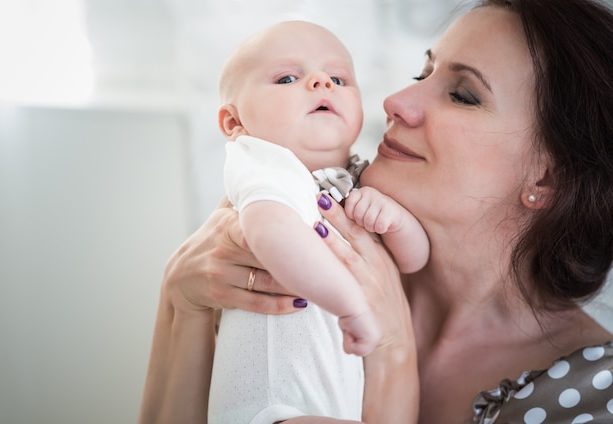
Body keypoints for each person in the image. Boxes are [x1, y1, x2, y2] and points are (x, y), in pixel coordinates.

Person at [138, 0, 613, 423]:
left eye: (463, 94)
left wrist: (393, 352)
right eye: (422, 75)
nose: (395, 103)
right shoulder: (301, 242)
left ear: (547, 179)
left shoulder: (592, 394)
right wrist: (180, 301)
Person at [211, 20, 430, 423]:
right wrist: (348, 306)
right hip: (271, 402)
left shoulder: (359, 179)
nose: (320, 83)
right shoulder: (264, 167)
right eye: (288, 77)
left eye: (338, 78)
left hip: (329, 399)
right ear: (233, 123)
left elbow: (413, 261)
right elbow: (274, 235)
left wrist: (395, 222)